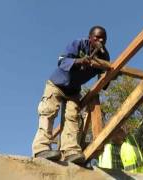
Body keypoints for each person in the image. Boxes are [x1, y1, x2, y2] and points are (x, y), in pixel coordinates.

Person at [32, 25, 110, 164]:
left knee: (73, 117)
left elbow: (104, 84)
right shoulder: (78, 43)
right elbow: (61, 61)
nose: (100, 40)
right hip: (57, 84)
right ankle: (41, 149)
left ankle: (70, 151)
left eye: (103, 38)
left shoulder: (104, 56)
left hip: (74, 90)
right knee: (48, 112)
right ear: (90, 38)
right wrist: (79, 61)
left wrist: (110, 76)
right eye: (97, 37)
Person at [98, 86, 143, 173]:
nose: (119, 127)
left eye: (121, 125)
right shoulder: (102, 144)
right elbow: (97, 119)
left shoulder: (134, 141)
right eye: (115, 126)